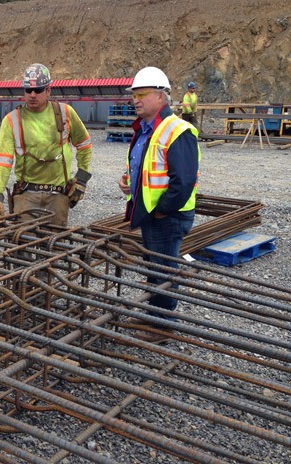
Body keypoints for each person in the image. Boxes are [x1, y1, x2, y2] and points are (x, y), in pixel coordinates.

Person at [117, 66, 201, 344]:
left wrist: (163, 209)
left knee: (163, 270)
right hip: (152, 213)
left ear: (160, 97)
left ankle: (163, 326)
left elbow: (183, 181)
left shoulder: (178, 130)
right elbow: (150, 168)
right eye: (134, 95)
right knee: (153, 267)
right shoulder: (146, 129)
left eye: (142, 94)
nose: (136, 100)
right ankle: (153, 316)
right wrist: (130, 183)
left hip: (167, 216)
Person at [0, 63, 93, 226]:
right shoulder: (12, 120)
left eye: (39, 90)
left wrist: (82, 179)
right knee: (22, 243)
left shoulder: (65, 113)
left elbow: (84, 144)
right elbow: (3, 161)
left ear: (48, 90)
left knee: (55, 246)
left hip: (58, 196)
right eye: (28, 90)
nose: (33, 94)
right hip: (26, 195)